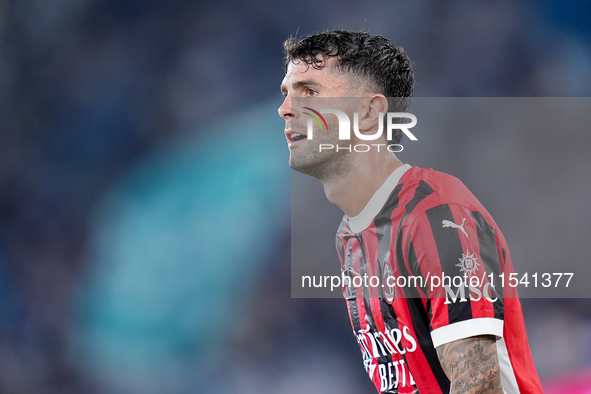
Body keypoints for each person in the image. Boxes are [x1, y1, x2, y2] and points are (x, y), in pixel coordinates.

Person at [278, 30, 543, 394]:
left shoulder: (436, 214)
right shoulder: (349, 235)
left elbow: (479, 387)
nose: (285, 109)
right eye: (286, 93)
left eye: (309, 92)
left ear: (370, 114)